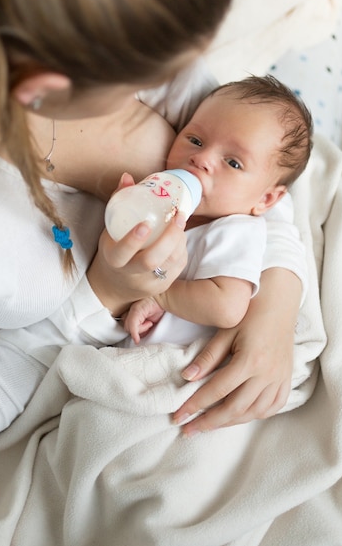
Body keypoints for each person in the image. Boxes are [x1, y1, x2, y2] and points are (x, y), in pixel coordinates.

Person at [0, 0, 303, 456]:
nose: (185, 87)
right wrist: (107, 292)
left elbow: (258, 156)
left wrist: (275, 301)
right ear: (41, 91)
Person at [122, 75, 313, 346]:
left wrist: (160, 295)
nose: (201, 159)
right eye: (196, 140)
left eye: (233, 163)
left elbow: (227, 306)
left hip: (186, 363)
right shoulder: (166, 209)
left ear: (267, 199)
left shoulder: (236, 229)